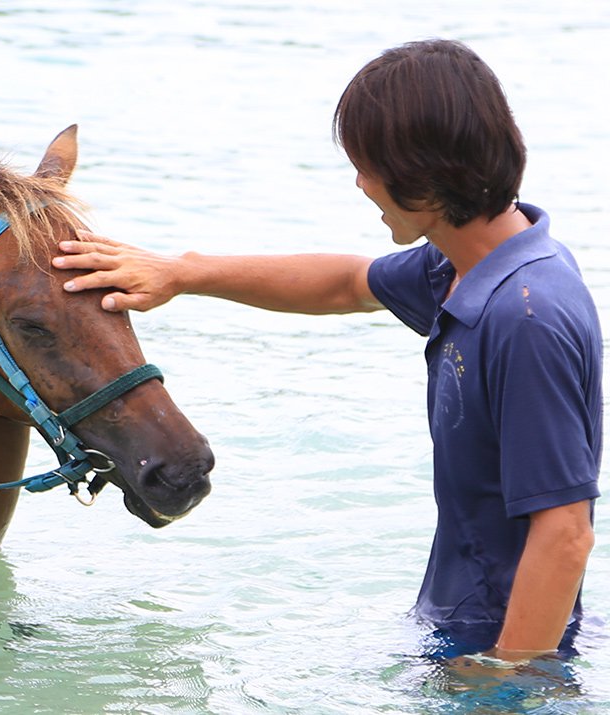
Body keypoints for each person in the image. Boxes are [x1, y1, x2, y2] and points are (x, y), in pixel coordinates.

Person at [70, 40, 600, 663]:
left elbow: (565, 534)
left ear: (421, 174)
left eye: (366, 166)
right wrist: (183, 273)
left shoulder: (524, 315)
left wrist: (503, 678)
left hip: (500, 647)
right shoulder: (464, 269)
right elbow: (348, 283)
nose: (359, 183)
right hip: (459, 623)